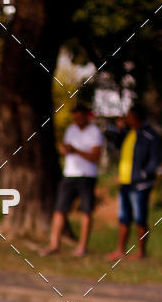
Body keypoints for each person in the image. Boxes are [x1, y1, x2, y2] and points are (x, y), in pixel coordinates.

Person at [41, 104, 104, 257]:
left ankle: (82, 247)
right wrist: (65, 150)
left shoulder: (95, 132)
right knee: (60, 209)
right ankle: (55, 244)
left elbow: (95, 157)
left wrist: (75, 151)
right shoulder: (71, 130)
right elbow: (65, 150)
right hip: (69, 174)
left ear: (86, 116)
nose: (77, 119)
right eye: (74, 117)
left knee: (86, 211)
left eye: (79, 116)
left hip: (87, 175)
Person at [105, 104, 161, 260]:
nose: (126, 119)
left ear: (136, 117)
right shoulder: (129, 133)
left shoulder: (150, 135)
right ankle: (120, 250)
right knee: (124, 217)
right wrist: (120, 129)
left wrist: (144, 174)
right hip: (126, 182)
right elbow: (115, 144)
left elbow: (155, 160)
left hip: (140, 184)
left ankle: (141, 252)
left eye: (129, 116)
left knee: (140, 218)